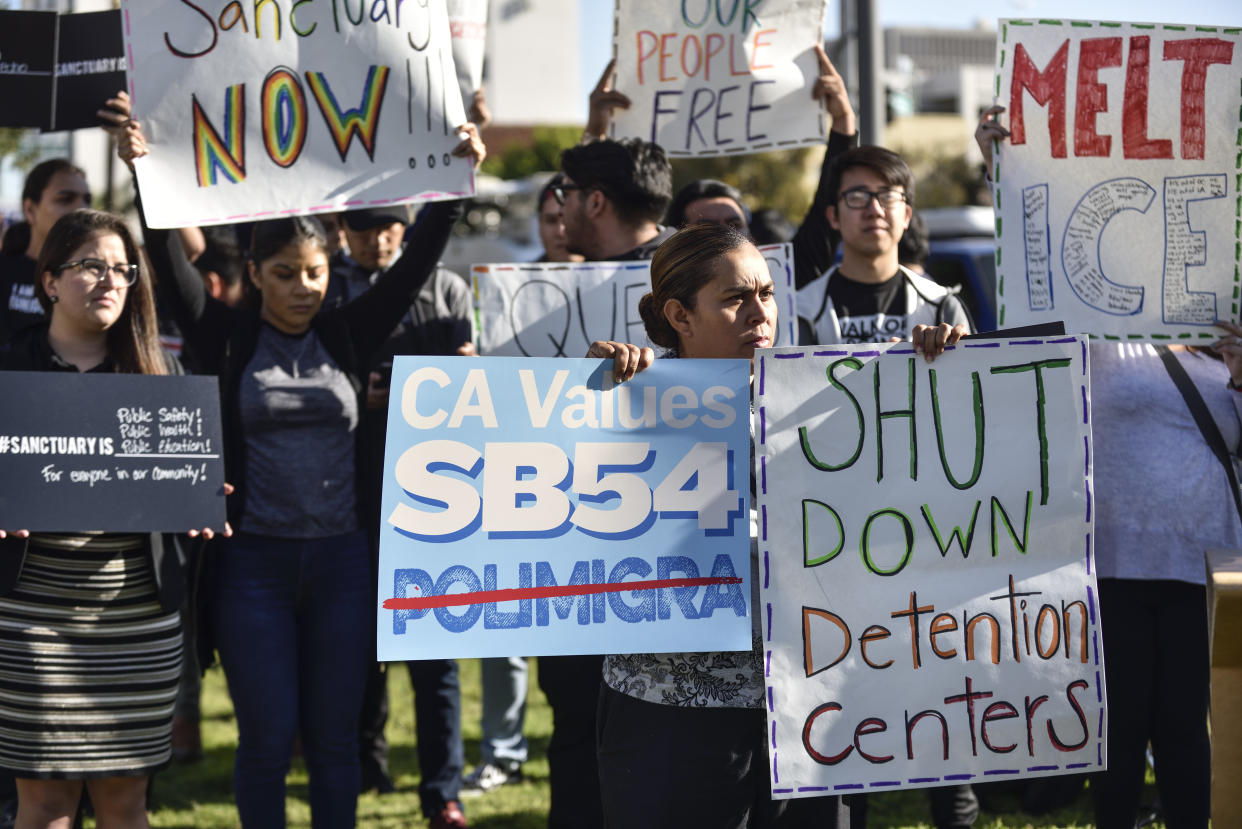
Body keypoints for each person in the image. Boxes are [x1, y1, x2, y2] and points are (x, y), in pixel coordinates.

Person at [110, 109, 484, 828]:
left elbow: (414, 267)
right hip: (252, 566)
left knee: (335, 742)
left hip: (344, 561)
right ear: (253, 273)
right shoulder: (224, 335)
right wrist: (140, 167)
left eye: (314, 272)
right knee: (267, 740)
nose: (303, 287)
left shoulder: (346, 329)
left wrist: (456, 179)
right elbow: (164, 253)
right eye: (284, 274)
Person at [976, 104, 1237, 829]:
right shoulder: (1097, 333)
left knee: (1188, 731)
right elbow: (1037, 250)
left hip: (1206, 565)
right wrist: (1005, 165)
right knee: (1117, 737)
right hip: (1113, 562)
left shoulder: (1227, 330)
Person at [0, 208, 226, 829]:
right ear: (49, 280)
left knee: (126, 803)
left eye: (123, 270)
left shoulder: (162, 377)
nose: (109, 281)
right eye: (90, 266)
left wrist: (201, 502)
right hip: (30, 620)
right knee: (43, 803)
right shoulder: (7, 372)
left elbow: (186, 488)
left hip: (136, 621)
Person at [333, 204, 473, 829]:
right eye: (362, 230)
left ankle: (443, 788)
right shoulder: (328, 286)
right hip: (352, 486)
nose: (376, 241)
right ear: (343, 233)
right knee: (360, 644)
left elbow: (469, 375)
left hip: (433, 493)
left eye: (389, 229)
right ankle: (367, 762)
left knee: (435, 656)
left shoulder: (446, 287)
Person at [796, 145, 973, 352]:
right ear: (833, 216)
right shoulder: (801, 311)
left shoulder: (942, 307)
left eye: (888, 196)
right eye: (857, 197)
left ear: (907, 215)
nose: (875, 210)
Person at [0, 160, 92, 347]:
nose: (81, 208)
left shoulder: (97, 278)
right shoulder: (4, 272)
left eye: (86, 200)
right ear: (30, 210)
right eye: (65, 199)